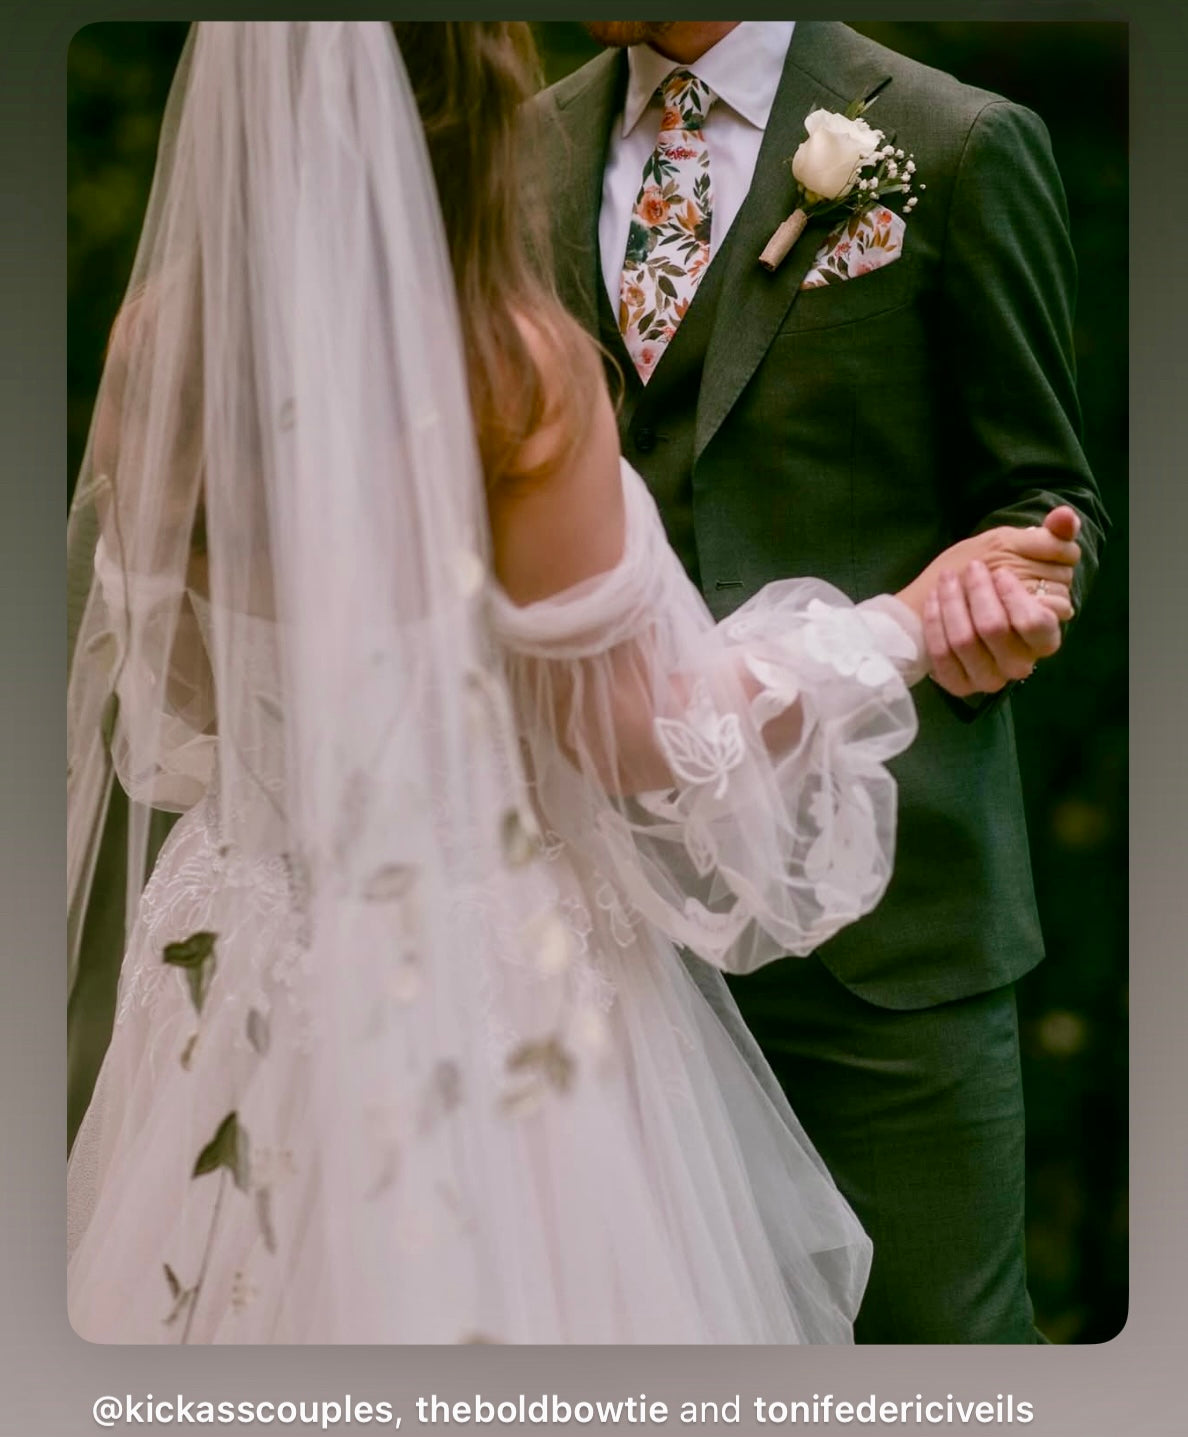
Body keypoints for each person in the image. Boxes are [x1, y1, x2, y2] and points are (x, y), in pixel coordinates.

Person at [64, 21, 1079, 1344]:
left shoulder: (160, 343)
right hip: (528, 972)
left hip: (264, 965)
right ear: (466, 85)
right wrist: (897, 628)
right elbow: (636, 728)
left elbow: (176, 688)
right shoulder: (517, 358)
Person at [538, 19, 1109, 1342]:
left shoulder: (954, 145)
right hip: (593, 926)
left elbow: (1045, 499)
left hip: (883, 936)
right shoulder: (517, 153)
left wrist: (1014, 587)